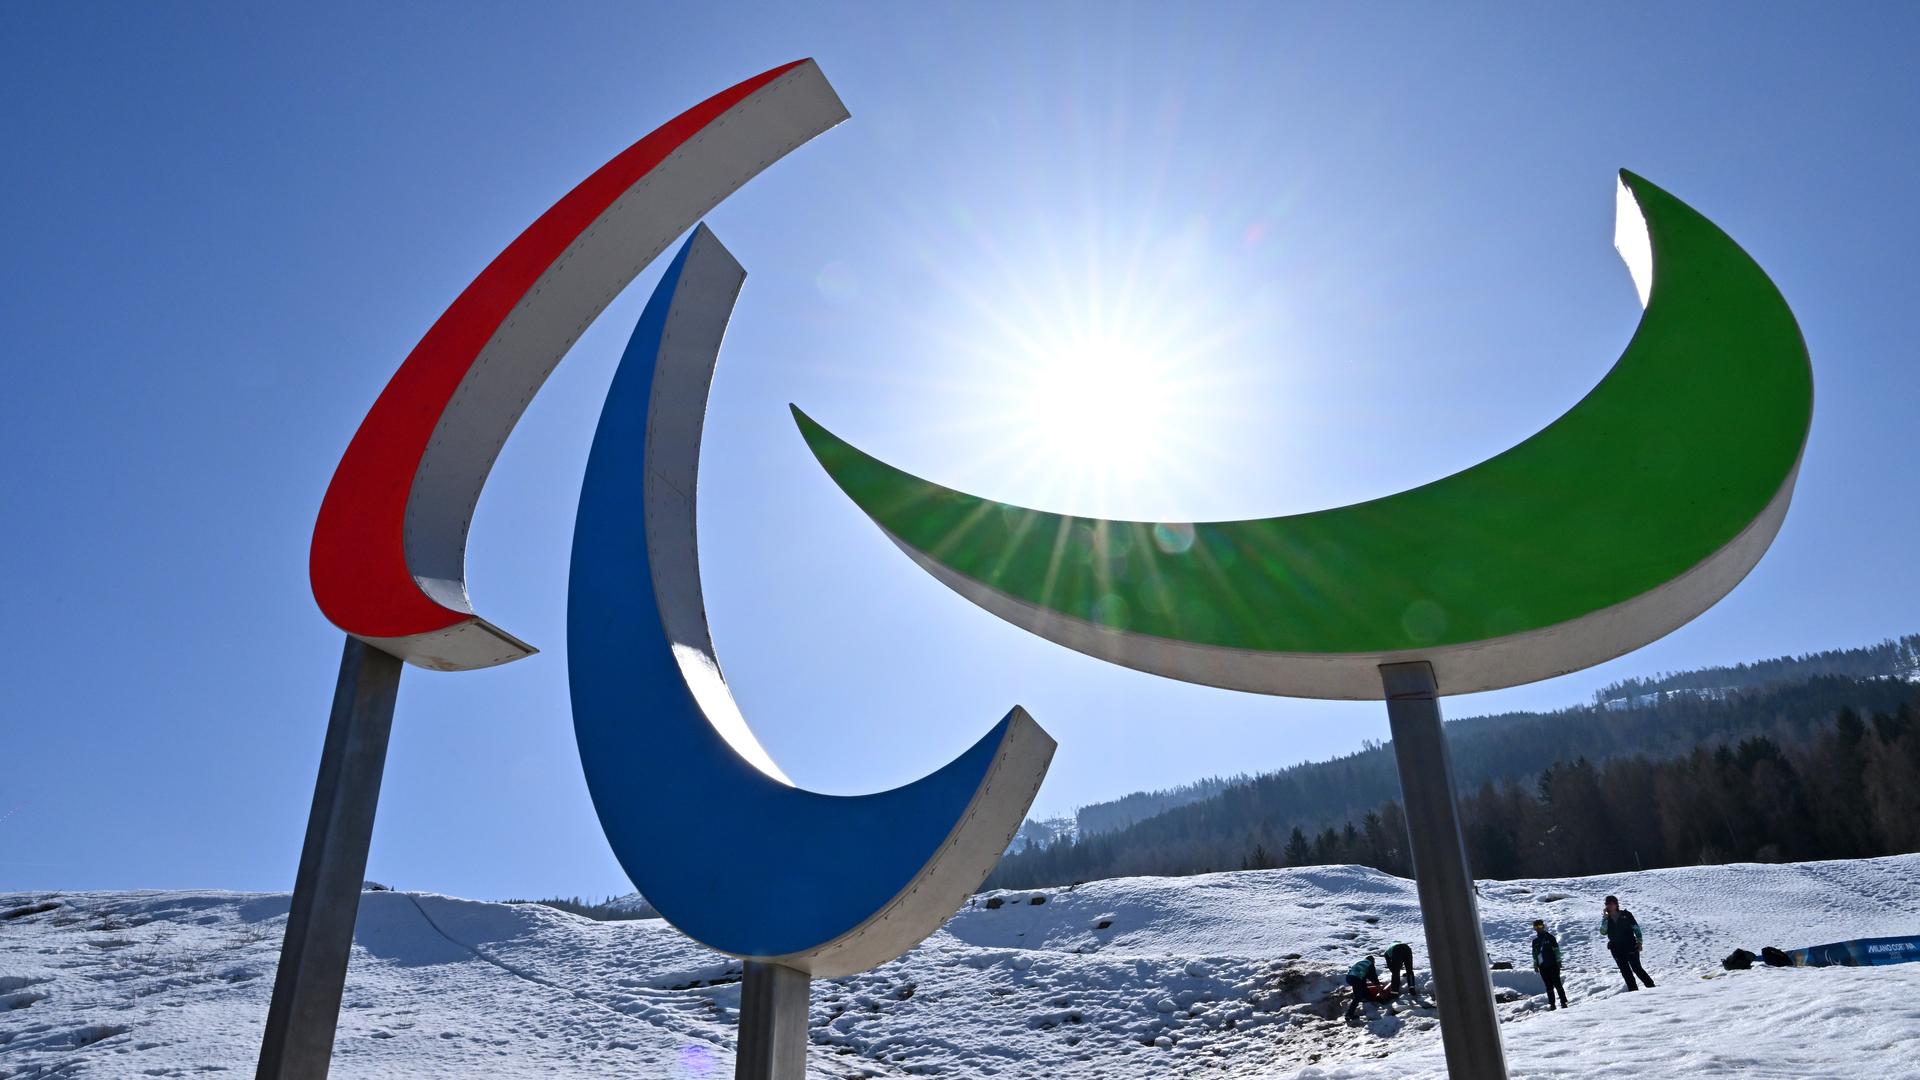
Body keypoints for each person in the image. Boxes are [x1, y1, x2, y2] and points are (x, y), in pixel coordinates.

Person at [1602, 895, 1655, 990]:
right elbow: (1603, 932)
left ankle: (1651, 987)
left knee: (1636, 968)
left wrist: (1639, 942)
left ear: (1616, 904)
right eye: (1606, 904)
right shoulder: (1607, 918)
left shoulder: (1626, 915)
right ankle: (1633, 991)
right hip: (1616, 948)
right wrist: (1605, 918)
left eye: (1610, 903)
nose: (1608, 906)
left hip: (1630, 945)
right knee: (1625, 971)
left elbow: (1636, 929)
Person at [1531, 919, 1570, 1010]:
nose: (1538, 929)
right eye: (1536, 927)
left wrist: (1559, 961)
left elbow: (1556, 950)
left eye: (1540, 926)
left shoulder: (1550, 937)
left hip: (1553, 964)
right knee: (1548, 986)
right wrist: (1535, 965)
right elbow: (1534, 954)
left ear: (1543, 926)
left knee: (1557, 984)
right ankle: (1552, 1004)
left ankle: (1563, 1002)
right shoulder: (1535, 941)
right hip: (1542, 966)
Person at [1345, 954, 1385, 1020]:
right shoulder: (1370, 964)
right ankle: (1349, 1014)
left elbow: (1364, 976)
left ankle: (1366, 997)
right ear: (1372, 961)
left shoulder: (1361, 962)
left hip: (1349, 977)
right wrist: (1379, 987)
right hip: (1356, 978)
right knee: (1357, 997)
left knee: (1362, 985)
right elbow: (1373, 976)